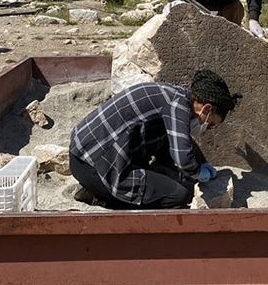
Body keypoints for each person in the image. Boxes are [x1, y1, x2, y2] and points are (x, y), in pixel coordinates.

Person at [69, 70, 242, 209]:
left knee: (177, 179)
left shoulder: (174, 96)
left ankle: (100, 192)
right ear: (206, 109)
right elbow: (183, 160)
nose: (206, 130)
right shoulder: (177, 106)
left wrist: (201, 162)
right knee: (177, 195)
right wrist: (198, 172)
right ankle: (103, 199)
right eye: (210, 125)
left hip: (84, 155)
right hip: (95, 164)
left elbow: (177, 141)